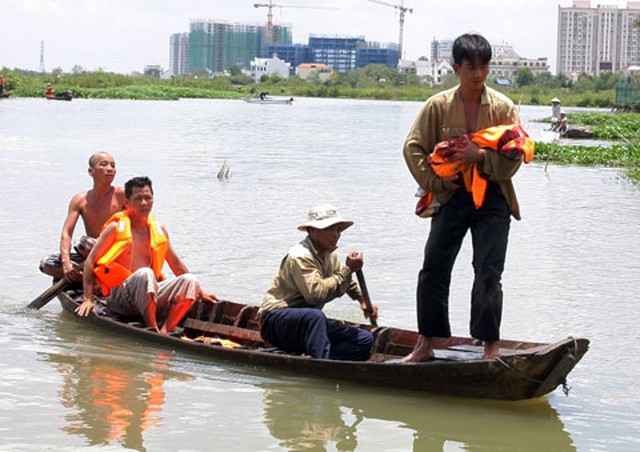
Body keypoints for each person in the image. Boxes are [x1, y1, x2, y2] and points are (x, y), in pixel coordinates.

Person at [402, 33, 529, 362]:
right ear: (456, 68)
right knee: (433, 268)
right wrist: (436, 183)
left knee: (488, 271)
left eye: (483, 66)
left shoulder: (503, 108)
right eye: (470, 66)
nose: (478, 73)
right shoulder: (438, 106)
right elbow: (413, 147)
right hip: (452, 196)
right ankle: (426, 343)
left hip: (494, 197)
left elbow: (514, 157)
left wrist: (479, 156)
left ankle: (489, 347)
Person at [76, 176, 217, 334]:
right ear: (127, 203)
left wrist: (200, 291)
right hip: (120, 298)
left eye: (148, 198)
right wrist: (88, 298)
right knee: (145, 273)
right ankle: (152, 328)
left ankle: (165, 330)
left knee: (191, 280)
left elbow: (176, 264)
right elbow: (89, 262)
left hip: (149, 294)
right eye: (138, 199)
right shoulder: (115, 228)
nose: (144, 203)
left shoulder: (159, 229)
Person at [258, 204, 378, 361]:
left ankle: (319, 358)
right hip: (276, 322)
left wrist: (361, 299)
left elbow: (345, 280)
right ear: (312, 230)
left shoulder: (329, 254)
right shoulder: (300, 256)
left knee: (364, 339)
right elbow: (315, 296)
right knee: (315, 316)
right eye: (330, 229)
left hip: (307, 325)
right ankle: (321, 362)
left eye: (338, 229)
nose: (336, 235)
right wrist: (349, 269)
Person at [39, 152, 126, 282]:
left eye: (113, 166)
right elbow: (66, 233)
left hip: (115, 253)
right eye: (104, 164)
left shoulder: (122, 195)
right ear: (91, 171)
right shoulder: (80, 200)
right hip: (90, 254)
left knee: (81, 242)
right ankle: (88, 276)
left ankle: (97, 274)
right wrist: (66, 263)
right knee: (46, 263)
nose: (110, 169)